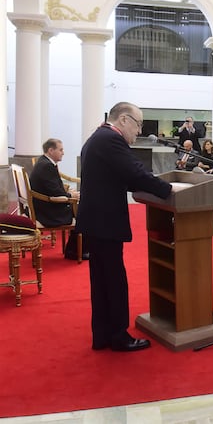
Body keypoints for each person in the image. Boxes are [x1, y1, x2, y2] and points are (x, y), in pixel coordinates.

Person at [75, 102, 174, 352]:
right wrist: (169, 190)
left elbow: (118, 175)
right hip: (105, 221)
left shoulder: (97, 138)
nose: (139, 131)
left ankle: (103, 335)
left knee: (102, 281)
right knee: (114, 281)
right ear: (123, 120)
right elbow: (135, 173)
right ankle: (118, 336)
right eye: (139, 124)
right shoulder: (111, 139)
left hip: (95, 221)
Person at [29, 138, 85, 260]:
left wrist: (68, 193)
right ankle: (75, 251)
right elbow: (54, 193)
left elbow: (52, 188)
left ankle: (73, 249)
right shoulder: (47, 166)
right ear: (50, 150)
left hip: (43, 206)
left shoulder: (44, 162)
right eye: (60, 150)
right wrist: (71, 196)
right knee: (85, 211)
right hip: (49, 212)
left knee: (82, 208)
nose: (63, 152)